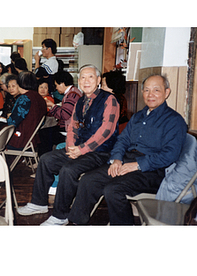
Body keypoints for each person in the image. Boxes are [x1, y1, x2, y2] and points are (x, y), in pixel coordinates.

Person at [67, 74, 188, 225]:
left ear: (167, 92)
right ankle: (76, 223)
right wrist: (116, 159)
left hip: (153, 170)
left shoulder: (175, 121)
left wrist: (137, 165)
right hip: (127, 159)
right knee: (89, 180)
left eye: (156, 90)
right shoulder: (138, 116)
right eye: (146, 90)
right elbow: (122, 140)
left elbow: (170, 155)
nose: (150, 95)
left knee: (113, 190)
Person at [17, 64, 120, 226]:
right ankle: (39, 203)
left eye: (90, 77)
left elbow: (106, 131)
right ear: (78, 81)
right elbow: (72, 125)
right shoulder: (80, 101)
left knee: (68, 169)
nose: (86, 81)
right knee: (46, 160)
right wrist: (71, 146)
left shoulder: (109, 99)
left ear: (98, 80)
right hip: (79, 149)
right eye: (83, 77)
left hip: (101, 153)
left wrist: (81, 150)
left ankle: (60, 215)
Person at [38, 71, 82, 156]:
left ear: (62, 83)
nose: (56, 88)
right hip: (69, 126)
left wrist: (52, 106)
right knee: (46, 132)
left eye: (57, 85)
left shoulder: (72, 95)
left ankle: (45, 160)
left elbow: (65, 115)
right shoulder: (73, 92)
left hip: (70, 130)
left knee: (44, 134)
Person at [6, 71, 47, 150]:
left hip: (21, 139)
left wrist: (9, 116)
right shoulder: (39, 98)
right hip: (33, 139)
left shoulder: (24, 98)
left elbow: (12, 122)